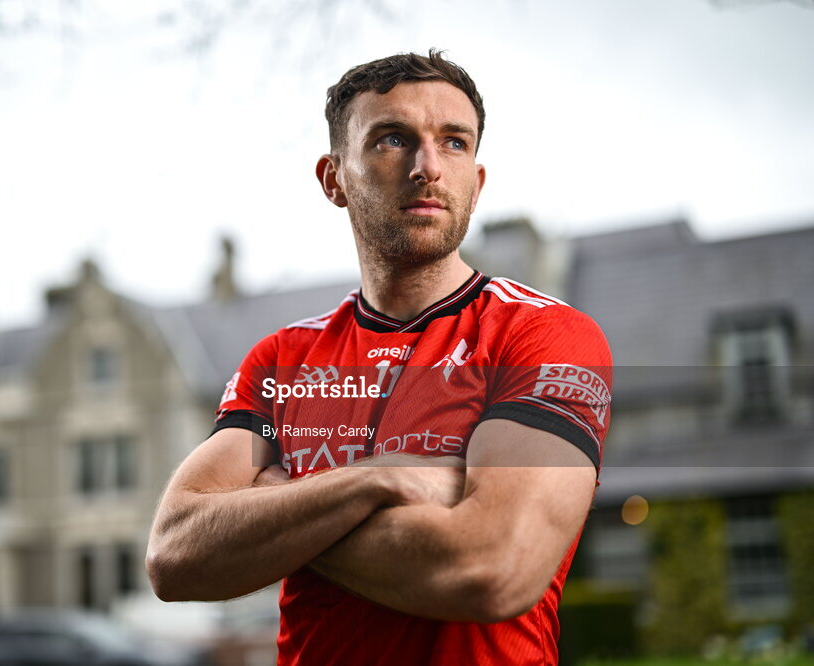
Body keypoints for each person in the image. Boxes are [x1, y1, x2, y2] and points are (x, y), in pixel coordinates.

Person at [146, 49, 613, 665]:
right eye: (393, 139)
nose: (427, 167)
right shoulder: (282, 361)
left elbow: (491, 567)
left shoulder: (545, 336)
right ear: (333, 178)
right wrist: (376, 478)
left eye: (453, 143)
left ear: (476, 180)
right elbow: (175, 553)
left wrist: (279, 505)